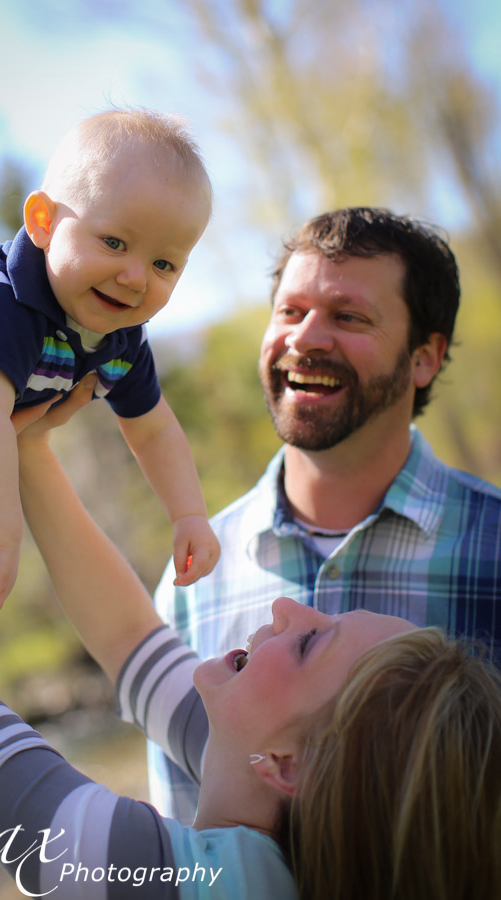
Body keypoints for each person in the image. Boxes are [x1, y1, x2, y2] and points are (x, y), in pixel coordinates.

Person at [0, 317, 499, 900]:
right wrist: (26, 447)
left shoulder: (176, 881)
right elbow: (129, 638)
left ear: (291, 767)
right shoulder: (275, 782)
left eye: (310, 641)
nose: (291, 608)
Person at [0, 109, 220, 800]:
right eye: (115, 241)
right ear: (43, 222)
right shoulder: (3, 302)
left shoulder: (119, 338)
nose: (136, 276)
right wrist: (2, 535)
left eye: (165, 263)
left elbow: (155, 428)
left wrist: (188, 514)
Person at [150, 205, 501, 823]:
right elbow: (183, 830)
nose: (305, 337)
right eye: (289, 311)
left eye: (348, 316)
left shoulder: (493, 549)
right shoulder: (191, 579)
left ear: (425, 357)